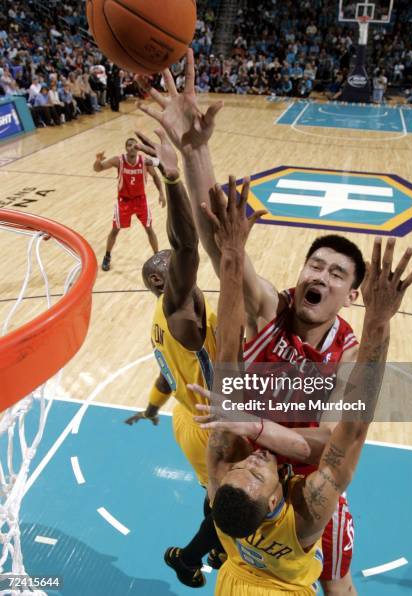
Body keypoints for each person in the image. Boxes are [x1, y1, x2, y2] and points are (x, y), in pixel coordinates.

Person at [137, 49, 364, 593]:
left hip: (304, 489)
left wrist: (259, 428)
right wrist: (195, 151)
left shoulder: (349, 355)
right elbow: (219, 241)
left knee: (337, 584)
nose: (322, 274)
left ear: (351, 295)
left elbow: (329, 447)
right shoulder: (272, 308)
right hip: (242, 459)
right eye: (316, 263)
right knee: (228, 525)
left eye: (337, 273)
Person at [191, 178, 412, 595]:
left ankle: (201, 550)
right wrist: (379, 320)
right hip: (306, 477)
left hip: (238, 567)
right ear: (274, 501)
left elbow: (227, 342)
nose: (254, 463)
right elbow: (346, 436)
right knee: (336, 584)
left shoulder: (224, 467)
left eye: (333, 272)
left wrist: (230, 250)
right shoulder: (309, 510)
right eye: (316, 265)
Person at [123, 128, 224, 587]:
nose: (175, 266)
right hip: (206, 422)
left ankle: (217, 545)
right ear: (162, 286)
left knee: (223, 492)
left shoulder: (160, 321)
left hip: (186, 415)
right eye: (166, 270)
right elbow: (186, 246)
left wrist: (149, 409)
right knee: (227, 499)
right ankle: (187, 557)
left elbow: (166, 376)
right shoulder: (178, 308)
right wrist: (170, 176)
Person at [93, 137, 166, 271]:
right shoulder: (118, 160)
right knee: (115, 230)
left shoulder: (145, 161)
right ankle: (107, 256)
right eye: (129, 145)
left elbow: (156, 175)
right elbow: (98, 169)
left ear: (138, 147)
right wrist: (98, 160)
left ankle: (157, 257)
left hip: (140, 200)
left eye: (134, 145)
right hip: (124, 201)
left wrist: (161, 193)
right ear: (126, 148)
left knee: (149, 229)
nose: (132, 147)